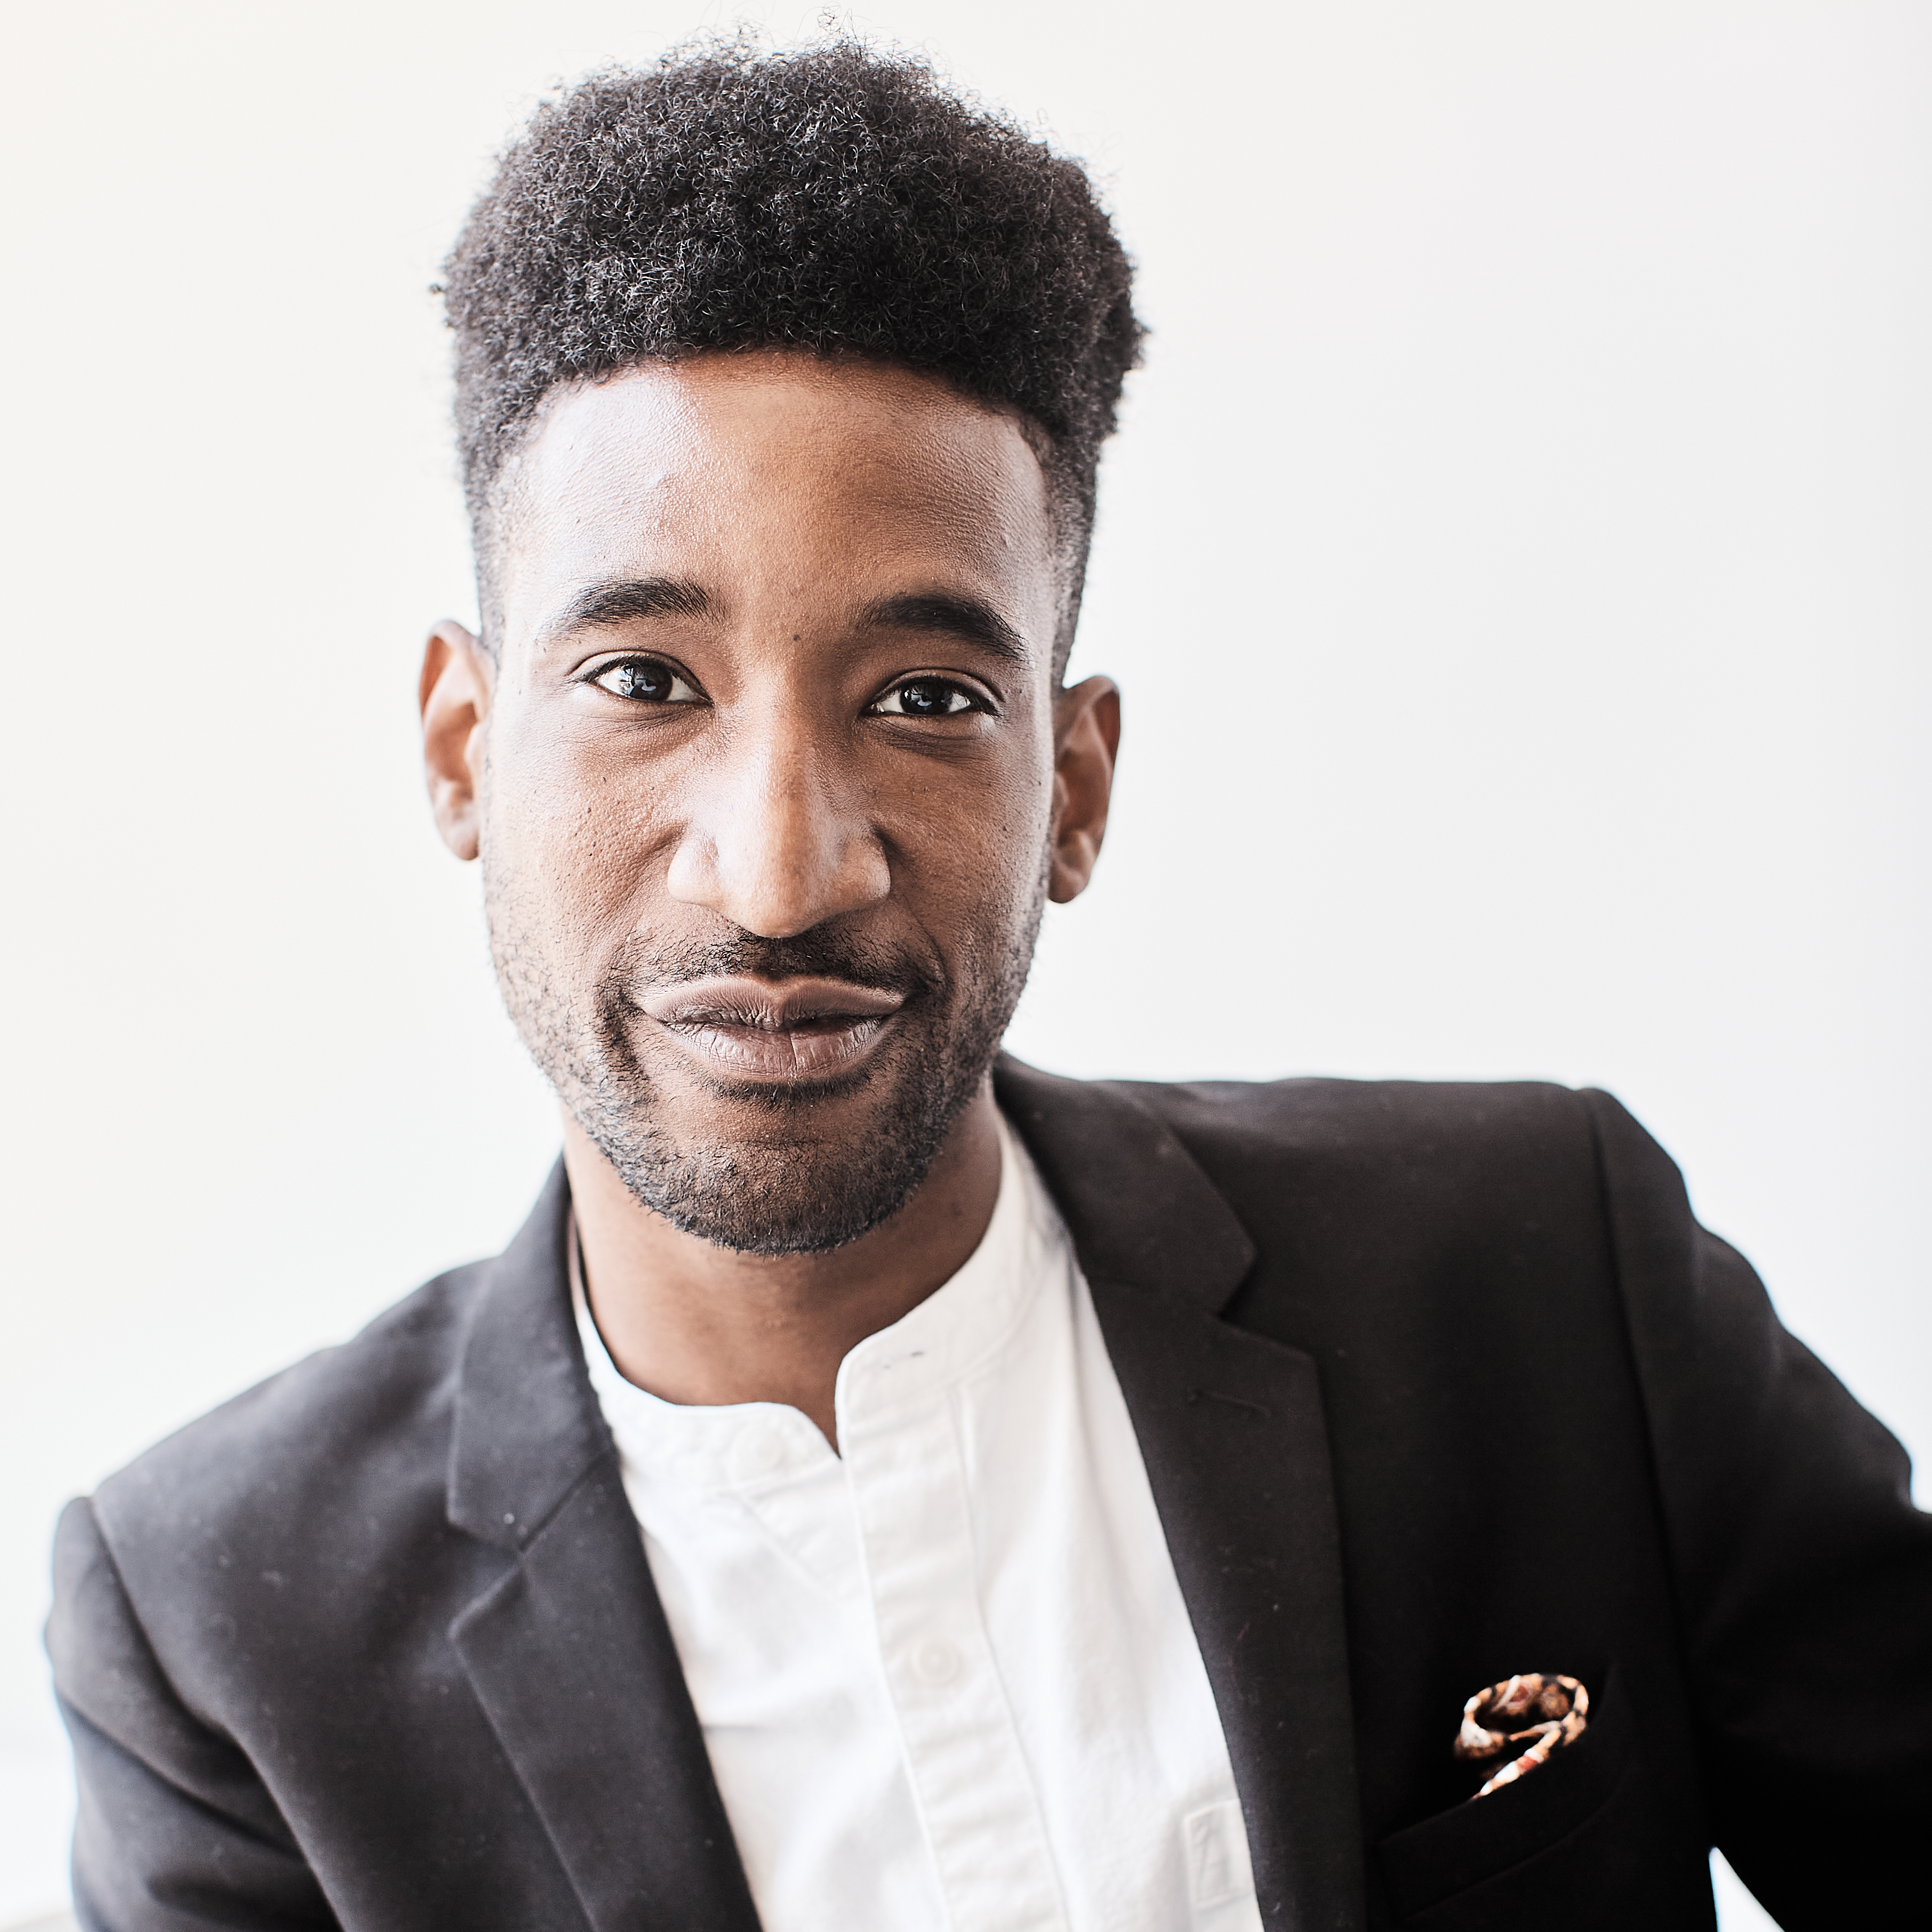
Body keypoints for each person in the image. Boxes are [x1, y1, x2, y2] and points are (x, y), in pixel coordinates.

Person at [45, 37, 1929, 1932]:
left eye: (927, 699)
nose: (782, 870)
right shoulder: (223, 1642)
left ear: (1074, 790)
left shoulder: (1541, 1286)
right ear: (462, 750)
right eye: (644, 681)